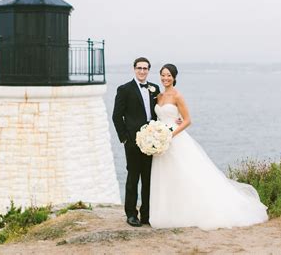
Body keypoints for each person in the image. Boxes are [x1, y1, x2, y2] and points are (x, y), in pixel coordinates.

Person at [150, 63, 269, 230]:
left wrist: (171, 134)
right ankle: (167, 213)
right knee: (165, 175)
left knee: (187, 174)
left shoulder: (177, 96)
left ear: (174, 77)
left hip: (175, 139)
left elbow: (187, 120)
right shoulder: (158, 96)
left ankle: (192, 211)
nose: (165, 78)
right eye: (163, 74)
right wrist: (155, 134)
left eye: (169, 75)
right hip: (160, 141)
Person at [112, 57, 160, 227]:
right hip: (133, 142)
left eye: (145, 68)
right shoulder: (124, 89)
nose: (142, 71)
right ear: (134, 69)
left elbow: (158, 114)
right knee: (133, 177)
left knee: (148, 178)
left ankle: (146, 214)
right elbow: (117, 116)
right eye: (139, 68)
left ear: (148, 70)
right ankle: (131, 214)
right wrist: (125, 138)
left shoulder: (155, 89)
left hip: (153, 141)